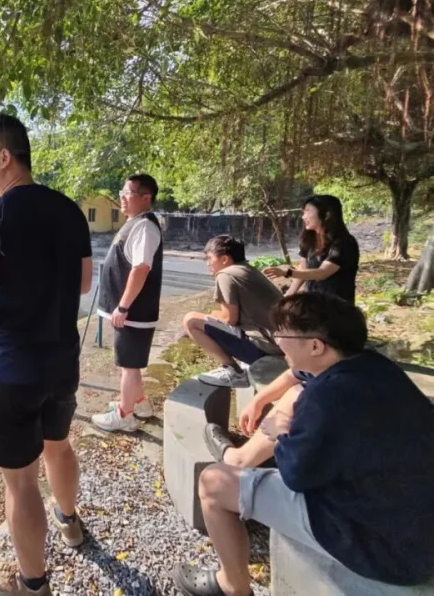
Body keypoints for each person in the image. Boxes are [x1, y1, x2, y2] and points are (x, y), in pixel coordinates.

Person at [173, 292, 434, 596]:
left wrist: (280, 432)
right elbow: (298, 377)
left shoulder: (327, 399)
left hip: (384, 547)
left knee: (213, 483)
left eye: (283, 335)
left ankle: (232, 586)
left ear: (315, 346)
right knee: (295, 396)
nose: (277, 341)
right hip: (411, 516)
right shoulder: (370, 364)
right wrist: (262, 400)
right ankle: (240, 460)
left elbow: (296, 476)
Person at [0, 114, 92, 596]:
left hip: (11, 371)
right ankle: (70, 523)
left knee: (20, 483)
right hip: (63, 362)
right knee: (59, 445)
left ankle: (32, 584)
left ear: (3, 157)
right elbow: (83, 283)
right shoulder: (70, 210)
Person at [91, 174, 163, 433]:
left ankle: (124, 415)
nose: (122, 197)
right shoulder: (135, 224)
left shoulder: (145, 227)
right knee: (130, 362)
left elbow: (141, 268)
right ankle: (139, 403)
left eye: (128, 193)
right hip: (130, 313)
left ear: (145, 198)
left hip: (133, 313)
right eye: (122, 192)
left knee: (128, 366)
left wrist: (123, 306)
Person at [183, 235, 283, 389]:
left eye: (209, 258)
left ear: (224, 259)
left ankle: (234, 372)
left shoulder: (226, 275)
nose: (207, 263)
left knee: (191, 321)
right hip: (281, 344)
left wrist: (212, 314)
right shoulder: (247, 269)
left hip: (266, 349)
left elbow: (229, 318)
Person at [263, 195, 359, 304]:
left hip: (337, 307)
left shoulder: (344, 243)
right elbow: (303, 268)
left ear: (327, 214)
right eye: (303, 213)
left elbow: (322, 273)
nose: (303, 217)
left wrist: (287, 272)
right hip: (313, 304)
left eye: (308, 212)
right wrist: (289, 294)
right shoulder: (310, 240)